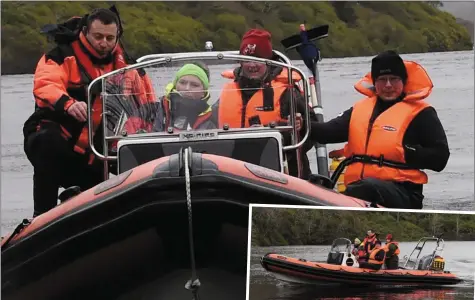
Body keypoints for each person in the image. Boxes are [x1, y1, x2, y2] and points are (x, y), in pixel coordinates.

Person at [22, 8, 153, 217]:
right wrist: (68, 103)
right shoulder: (60, 56)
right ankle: (41, 216)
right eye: (98, 36)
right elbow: (45, 84)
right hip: (60, 138)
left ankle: (146, 214)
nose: (104, 43)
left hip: (96, 150)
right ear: (85, 32)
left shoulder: (127, 66)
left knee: (137, 157)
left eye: (110, 38)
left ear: (117, 36)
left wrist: (146, 133)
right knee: (47, 141)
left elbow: (146, 102)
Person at [310, 50, 450, 209]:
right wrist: (304, 125)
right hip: (358, 188)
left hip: (404, 191)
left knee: (366, 187)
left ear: (403, 82)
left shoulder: (422, 114)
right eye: (382, 80)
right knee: (324, 184)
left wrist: (406, 152)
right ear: (374, 83)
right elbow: (328, 132)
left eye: (394, 79)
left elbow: (441, 158)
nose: (388, 85)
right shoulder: (359, 109)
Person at [213, 28, 317, 179]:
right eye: (247, 60)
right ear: (240, 61)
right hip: (237, 172)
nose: (252, 65)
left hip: (283, 173)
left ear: (268, 62)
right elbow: (207, 125)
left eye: (258, 60)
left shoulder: (288, 92)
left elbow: (313, 132)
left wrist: (294, 128)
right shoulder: (228, 91)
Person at [124, 62, 216, 134]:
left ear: (203, 93)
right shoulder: (150, 111)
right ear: (175, 85)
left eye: (194, 85)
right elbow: (128, 132)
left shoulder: (213, 117)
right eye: (182, 83)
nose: (187, 88)